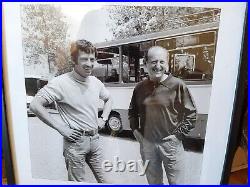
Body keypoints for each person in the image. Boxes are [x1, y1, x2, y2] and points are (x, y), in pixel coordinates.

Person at [30, 39, 112, 183]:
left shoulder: (95, 82)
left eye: (92, 59)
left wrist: (103, 118)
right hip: (75, 143)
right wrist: (61, 128)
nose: (89, 64)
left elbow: (109, 99)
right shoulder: (60, 83)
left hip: (95, 140)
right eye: (84, 59)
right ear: (74, 60)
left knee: (106, 181)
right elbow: (35, 105)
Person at [128, 46, 197, 184]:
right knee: (153, 182)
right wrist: (135, 131)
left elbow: (191, 114)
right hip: (147, 145)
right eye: (153, 62)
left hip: (171, 145)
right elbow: (132, 112)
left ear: (167, 63)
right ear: (146, 64)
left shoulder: (178, 85)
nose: (158, 66)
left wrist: (177, 136)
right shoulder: (139, 88)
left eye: (162, 62)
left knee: (176, 183)